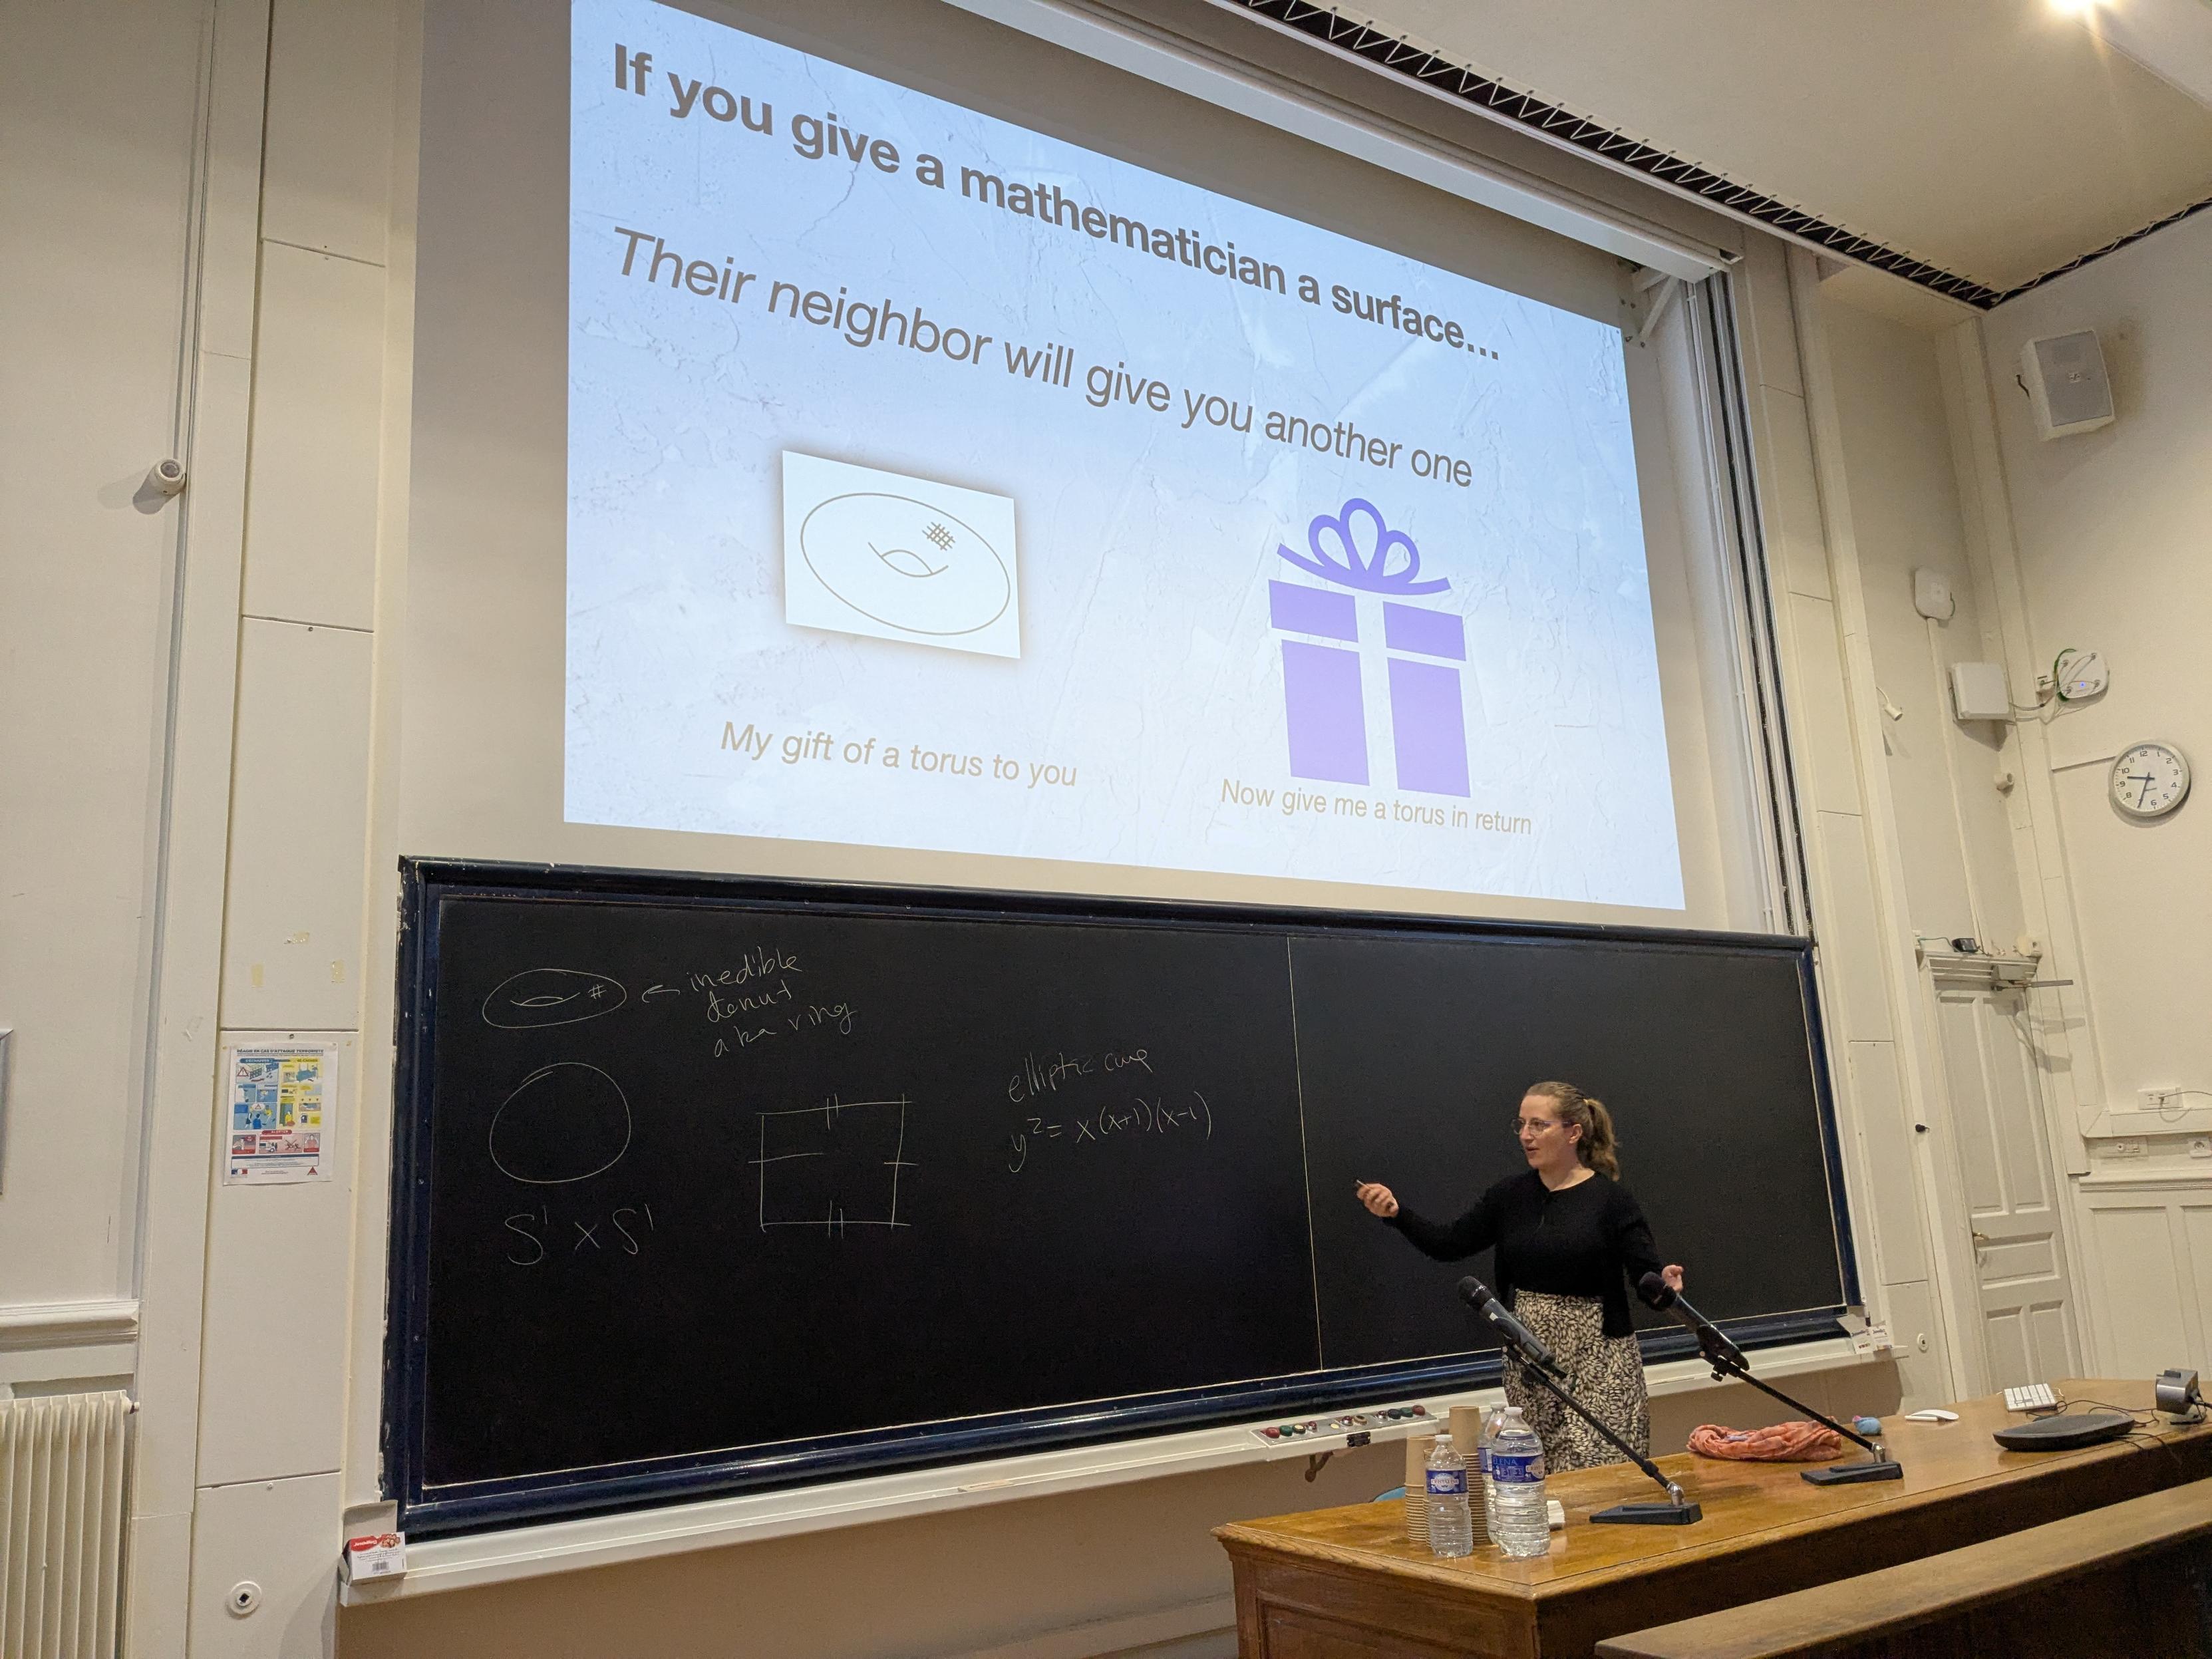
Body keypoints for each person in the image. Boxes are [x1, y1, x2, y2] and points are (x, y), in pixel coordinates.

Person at [1354, 1080, 1684, 1473]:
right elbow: (1449, 1243)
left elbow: (1644, 1273)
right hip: (1529, 1357)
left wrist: (1664, 1282)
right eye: (1522, 1124)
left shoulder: (1611, 1200)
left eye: (1539, 1125)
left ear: (1573, 1132)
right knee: (1537, 1477)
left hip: (1600, 1357)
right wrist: (1397, 1214)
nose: (1526, 1135)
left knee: (1603, 1474)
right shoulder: (1509, 1197)